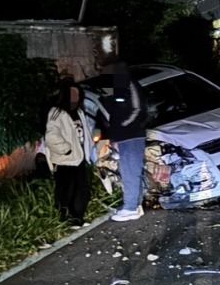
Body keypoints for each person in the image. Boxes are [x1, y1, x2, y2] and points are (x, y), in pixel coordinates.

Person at [44, 79, 97, 228]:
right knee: (66, 190)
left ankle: (77, 217)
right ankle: (64, 218)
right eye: (72, 94)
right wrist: (65, 149)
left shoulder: (79, 112)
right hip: (65, 159)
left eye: (77, 94)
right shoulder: (57, 113)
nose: (75, 97)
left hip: (79, 157)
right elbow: (51, 136)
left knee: (81, 189)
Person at [101, 62, 148, 221]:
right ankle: (135, 205)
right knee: (131, 172)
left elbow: (137, 109)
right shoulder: (120, 86)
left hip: (131, 135)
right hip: (127, 136)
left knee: (130, 173)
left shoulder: (127, 85)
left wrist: (123, 126)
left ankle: (130, 208)